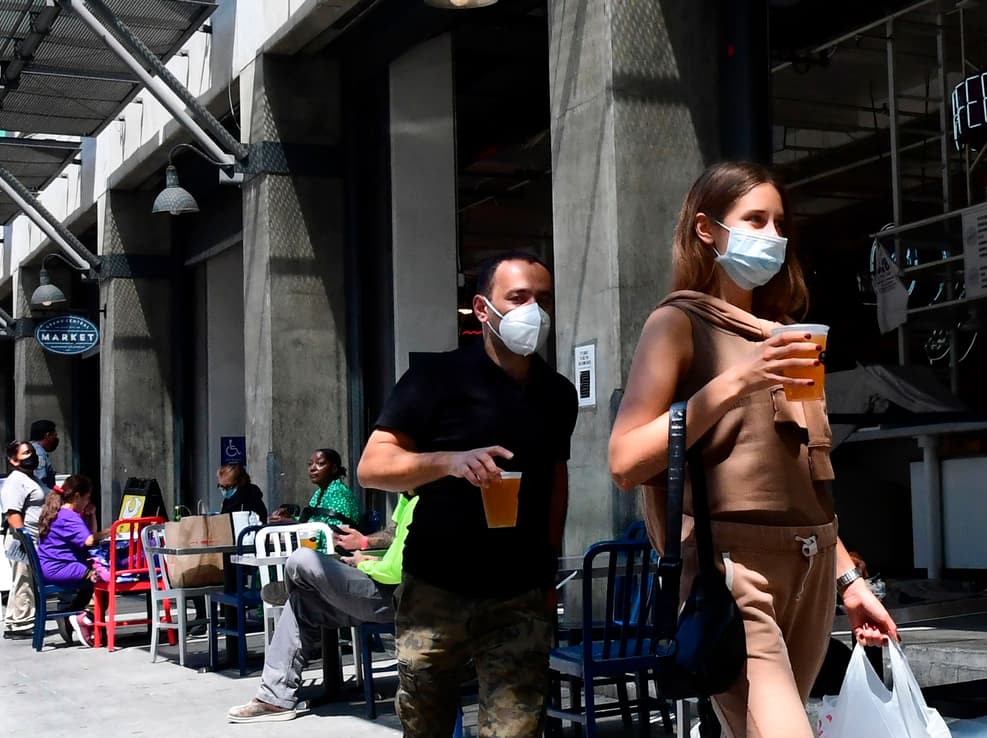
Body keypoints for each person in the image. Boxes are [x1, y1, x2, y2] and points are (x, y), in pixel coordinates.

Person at [608, 161, 899, 738]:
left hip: (813, 567)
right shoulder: (679, 323)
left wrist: (849, 581)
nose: (771, 235)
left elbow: (807, 475)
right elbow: (624, 461)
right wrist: (737, 381)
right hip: (734, 568)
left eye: (779, 222)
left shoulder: (785, 331)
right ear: (706, 229)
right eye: (754, 219)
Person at [357, 251, 578, 738]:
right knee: (425, 724)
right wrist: (448, 461)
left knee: (516, 731)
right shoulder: (435, 379)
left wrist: (548, 569)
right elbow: (372, 468)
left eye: (543, 300)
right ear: (483, 309)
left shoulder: (557, 393)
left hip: (518, 592)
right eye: (518, 298)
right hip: (436, 588)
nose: (533, 312)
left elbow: (554, 481)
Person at [226, 493, 418, 723]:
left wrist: (364, 563)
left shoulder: (429, 501)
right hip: (379, 583)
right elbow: (393, 536)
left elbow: (397, 571)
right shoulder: (408, 495)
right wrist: (365, 544)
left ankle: (295, 586)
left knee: (302, 559)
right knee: (302, 604)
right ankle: (274, 698)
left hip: (398, 596)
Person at [35, 474, 106, 645]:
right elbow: (89, 541)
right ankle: (85, 617)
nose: (87, 502)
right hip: (60, 568)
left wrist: (92, 515)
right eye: (87, 498)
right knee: (103, 577)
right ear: (77, 497)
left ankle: (70, 614)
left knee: (95, 573)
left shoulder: (60, 512)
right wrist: (109, 532)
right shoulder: (69, 517)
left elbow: (86, 537)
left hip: (49, 566)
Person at [2, 440, 48, 638]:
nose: (32, 456)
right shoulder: (16, 481)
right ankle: (22, 624)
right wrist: (25, 537)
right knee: (24, 580)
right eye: (26, 453)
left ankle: (15, 621)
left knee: (23, 580)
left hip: (33, 538)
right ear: (13, 460)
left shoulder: (31, 478)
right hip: (22, 541)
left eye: (32, 452)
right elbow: (12, 513)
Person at [269, 449, 360, 531]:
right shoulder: (319, 493)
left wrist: (294, 524)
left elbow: (332, 533)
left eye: (320, 464)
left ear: (334, 469)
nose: (312, 468)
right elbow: (313, 521)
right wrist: (290, 519)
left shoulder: (339, 493)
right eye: (310, 464)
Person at [29, 419, 57, 490]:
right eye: (54, 435)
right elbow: (40, 481)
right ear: (47, 435)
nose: (55, 439)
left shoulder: (30, 448)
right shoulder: (39, 454)